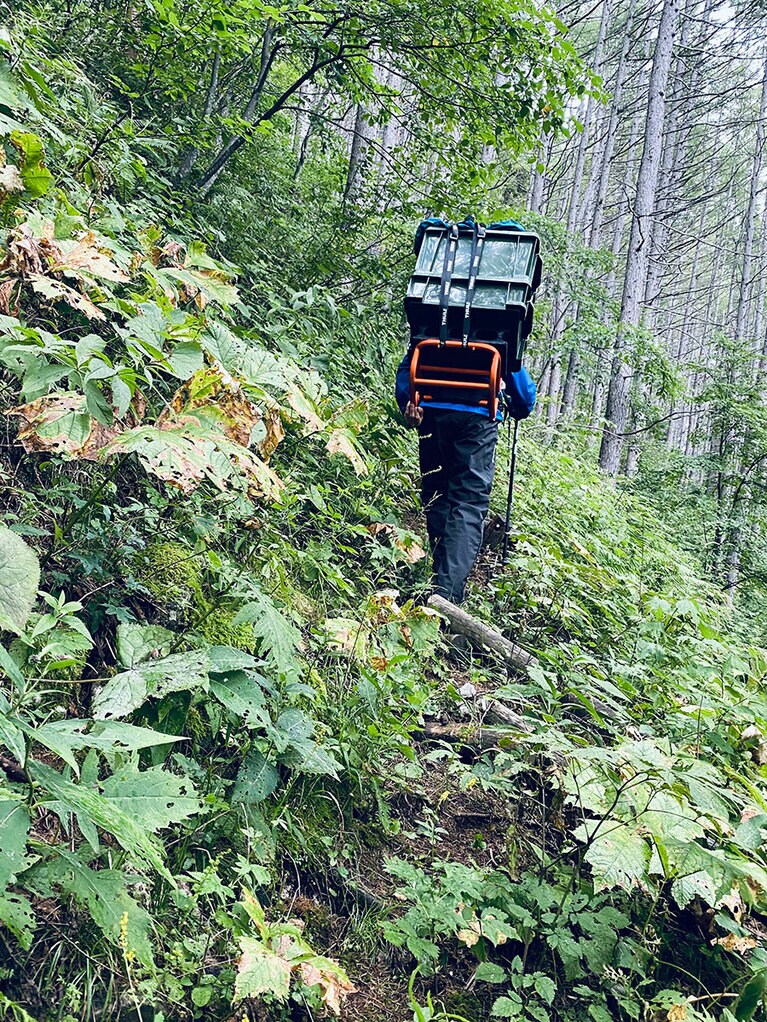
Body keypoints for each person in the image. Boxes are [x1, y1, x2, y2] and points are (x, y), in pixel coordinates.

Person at [395, 351, 536, 604]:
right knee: (468, 504)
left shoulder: (436, 324)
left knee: (437, 497)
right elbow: (524, 398)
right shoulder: (499, 330)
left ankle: (441, 586)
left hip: (432, 413)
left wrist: (408, 401)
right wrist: (518, 404)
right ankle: (446, 595)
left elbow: (411, 361)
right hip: (479, 417)